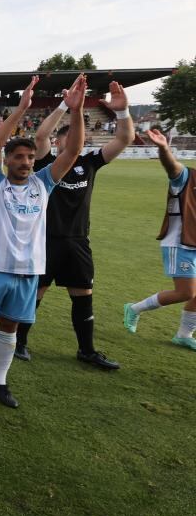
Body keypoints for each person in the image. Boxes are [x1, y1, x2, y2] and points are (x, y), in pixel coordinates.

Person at [0, 75, 86, 408]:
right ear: (8, 160)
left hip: (28, 271)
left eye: (30, 158)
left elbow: (73, 151)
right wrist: (21, 109)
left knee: (9, 327)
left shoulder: (43, 183)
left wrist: (77, 109)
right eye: (19, 157)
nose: (26, 162)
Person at [14, 80, 134, 368]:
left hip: (78, 239)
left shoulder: (90, 162)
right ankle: (18, 343)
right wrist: (64, 106)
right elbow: (41, 135)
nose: (77, 143)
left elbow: (124, 138)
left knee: (83, 295)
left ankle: (87, 350)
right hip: (47, 239)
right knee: (37, 293)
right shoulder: (46, 165)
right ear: (59, 142)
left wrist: (123, 112)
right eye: (68, 139)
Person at [122, 126, 196, 351]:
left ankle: (184, 334)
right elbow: (172, 167)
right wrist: (164, 148)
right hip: (179, 243)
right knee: (186, 292)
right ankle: (134, 309)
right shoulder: (187, 177)